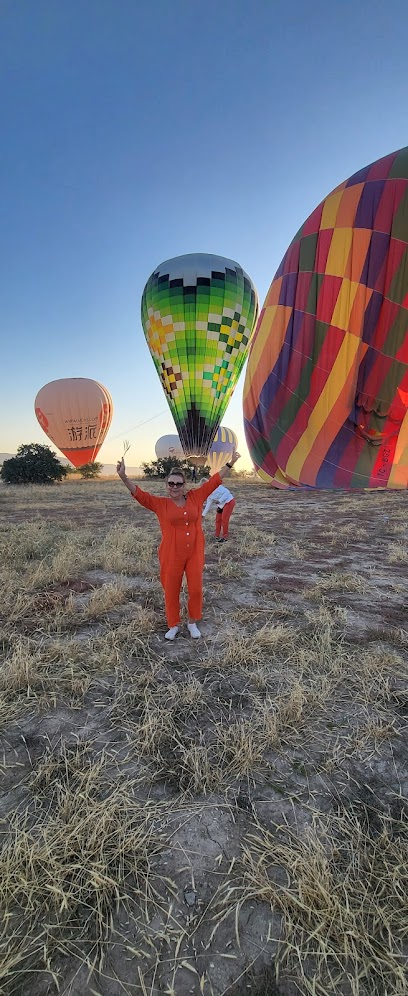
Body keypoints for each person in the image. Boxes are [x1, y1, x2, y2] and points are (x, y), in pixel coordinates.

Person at [116, 451, 241, 640]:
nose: (174, 487)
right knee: (171, 588)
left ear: (184, 485)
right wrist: (124, 477)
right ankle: (173, 624)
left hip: (195, 551)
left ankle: (192, 622)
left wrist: (231, 462)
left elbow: (214, 481)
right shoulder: (160, 504)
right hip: (171, 553)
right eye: (171, 483)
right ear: (166, 485)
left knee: (196, 588)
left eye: (178, 484)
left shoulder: (196, 497)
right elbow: (139, 494)